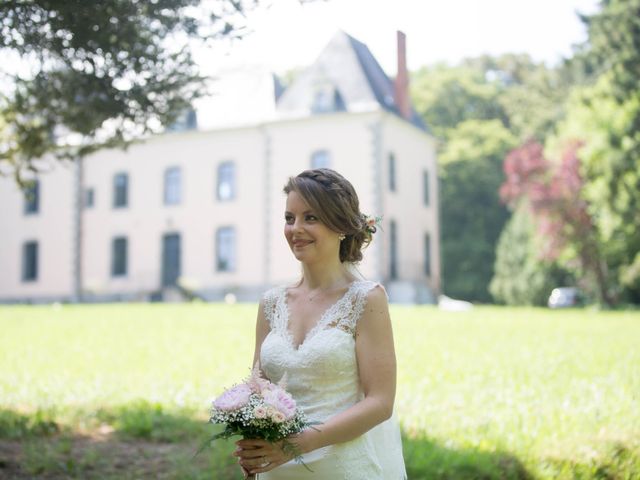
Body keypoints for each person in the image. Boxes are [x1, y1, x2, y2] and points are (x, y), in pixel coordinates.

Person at [234, 168, 406, 479]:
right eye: (289, 218)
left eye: (310, 217)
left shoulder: (366, 299)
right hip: (277, 469)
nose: (295, 229)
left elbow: (381, 402)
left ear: (340, 225)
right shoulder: (271, 303)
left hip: (340, 466)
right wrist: (252, 445)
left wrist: (301, 443)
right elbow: (258, 389)